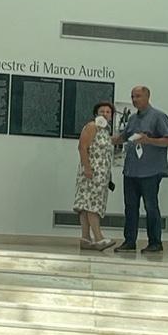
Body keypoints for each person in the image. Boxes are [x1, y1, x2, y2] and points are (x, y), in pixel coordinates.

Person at [112, 85, 168, 254]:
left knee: (151, 207)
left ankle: (155, 242)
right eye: (132, 96)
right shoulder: (132, 119)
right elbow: (122, 138)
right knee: (130, 207)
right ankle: (129, 242)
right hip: (131, 171)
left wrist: (149, 140)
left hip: (151, 171)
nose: (134, 100)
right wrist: (101, 138)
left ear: (147, 97)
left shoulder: (159, 117)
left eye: (138, 96)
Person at [73, 99, 118, 252]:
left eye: (108, 112)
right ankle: (99, 238)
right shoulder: (92, 127)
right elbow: (82, 147)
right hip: (91, 173)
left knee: (86, 206)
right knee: (92, 206)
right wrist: (87, 168)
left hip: (101, 176)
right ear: (96, 114)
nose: (105, 114)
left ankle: (86, 238)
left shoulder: (105, 132)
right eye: (102, 112)